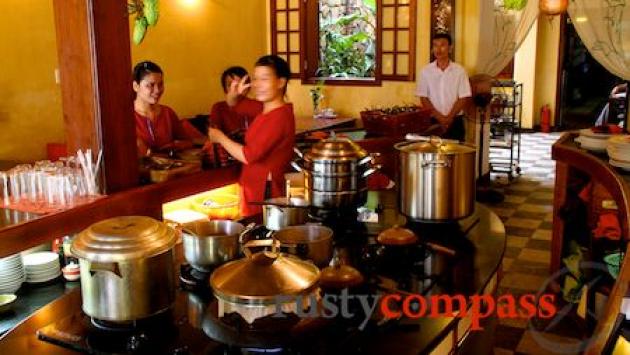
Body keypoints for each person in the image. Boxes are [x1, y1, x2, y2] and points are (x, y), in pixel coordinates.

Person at [207, 55, 295, 217]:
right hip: (255, 186)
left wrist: (220, 137)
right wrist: (234, 93)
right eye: (255, 79)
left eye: (264, 79)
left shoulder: (279, 117)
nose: (257, 85)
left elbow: (249, 155)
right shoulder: (265, 108)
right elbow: (235, 104)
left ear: (281, 82)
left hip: (265, 191)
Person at [133, 61, 202, 157]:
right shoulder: (126, 117)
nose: (157, 90)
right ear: (136, 86)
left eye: (160, 84)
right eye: (151, 85)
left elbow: (187, 142)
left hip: (169, 169)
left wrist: (176, 146)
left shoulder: (167, 113)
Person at [416, 33, 472, 141]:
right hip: (433, 121)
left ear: (450, 48)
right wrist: (440, 118)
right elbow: (423, 97)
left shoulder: (460, 71)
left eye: (442, 45)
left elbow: (463, 97)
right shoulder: (425, 71)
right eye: (435, 45)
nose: (438, 49)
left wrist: (449, 118)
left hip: (455, 121)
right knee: (432, 155)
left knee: (456, 155)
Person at [209, 66, 263, 138]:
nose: (235, 88)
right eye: (230, 85)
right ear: (225, 89)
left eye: (240, 84)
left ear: (248, 86)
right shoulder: (219, 108)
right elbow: (214, 136)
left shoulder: (258, 106)